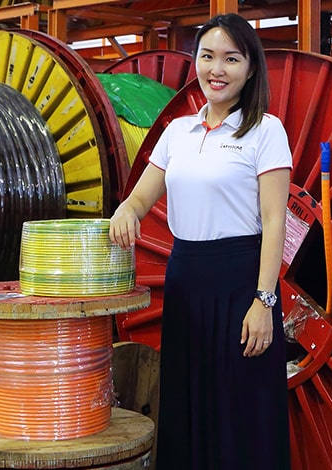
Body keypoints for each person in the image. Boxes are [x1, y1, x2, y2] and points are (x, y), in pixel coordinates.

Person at [109, 13, 292, 470]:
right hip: (187, 278)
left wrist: (264, 301)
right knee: (188, 399)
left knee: (241, 404)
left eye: (231, 59)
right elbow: (141, 196)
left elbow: (274, 222)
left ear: (251, 68)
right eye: (208, 56)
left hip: (240, 280)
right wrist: (126, 211)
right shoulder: (178, 133)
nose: (217, 69)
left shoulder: (265, 131)